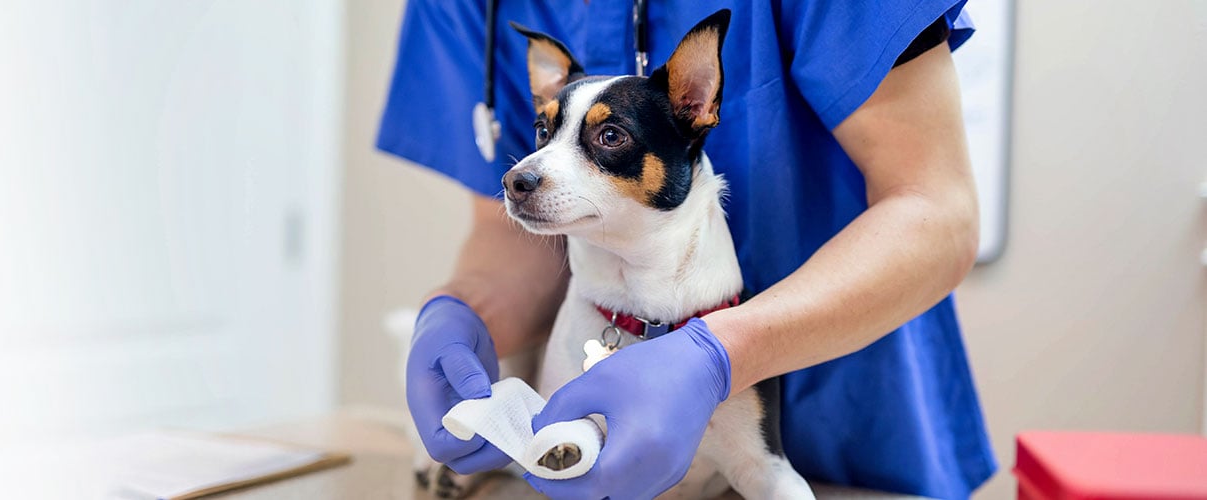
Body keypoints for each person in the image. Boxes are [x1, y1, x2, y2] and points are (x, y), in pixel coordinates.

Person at [380, 1, 998, 498]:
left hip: (856, 426)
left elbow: (936, 207)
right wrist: (457, 314)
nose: (528, 169)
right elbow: (507, 233)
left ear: (698, 103)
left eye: (608, 135)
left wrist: (718, 356)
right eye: (545, 132)